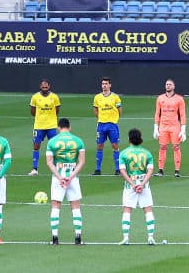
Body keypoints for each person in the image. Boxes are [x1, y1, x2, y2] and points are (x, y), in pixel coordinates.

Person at [45, 117, 85, 246]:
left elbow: (49, 162)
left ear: (58, 127)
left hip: (58, 176)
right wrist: (71, 176)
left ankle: (55, 237)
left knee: (56, 206)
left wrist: (60, 177)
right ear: (70, 127)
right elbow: (82, 162)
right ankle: (78, 237)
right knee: (75, 207)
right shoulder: (78, 141)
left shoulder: (52, 141)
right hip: (73, 176)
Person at [119, 128, 159, 246]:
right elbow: (150, 170)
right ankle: (151, 237)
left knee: (127, 210)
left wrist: (133, 184)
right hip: (144, 185)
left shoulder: (124, 153)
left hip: (129, 185)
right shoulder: (147, 153)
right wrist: (142, 184)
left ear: (129, 139)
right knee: (148, 209)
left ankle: (126, 237)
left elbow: (122, 170)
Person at [153, 79, 187, 178]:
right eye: (167, 84)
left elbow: (183, 114)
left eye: (170, 84)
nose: (168, 86)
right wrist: (156, 127)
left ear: (174, 86)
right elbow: (157, 114)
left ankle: (177, 170)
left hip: (175, 126)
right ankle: (160, 170)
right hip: (163, 127)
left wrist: (183, 129)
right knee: (162, 147)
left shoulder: (179, 99)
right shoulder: (160, 98)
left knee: (176, 147)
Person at [29, 79, 61, 176]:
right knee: (36, 146)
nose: (44, 89)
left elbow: (57, 110)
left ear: (49, 87)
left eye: (46, 87)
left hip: (51, 126)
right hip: (39, 125)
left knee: (54, 146)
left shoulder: (54, 97)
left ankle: (56, 168)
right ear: (40, 87)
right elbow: (32, 111)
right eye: (43, 87)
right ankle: (35, 169)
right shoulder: (35, 97)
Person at [93, 77, 123, 175]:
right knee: (99, 146)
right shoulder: (97, 97)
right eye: (103, 84)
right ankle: (98, 169)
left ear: (110, 85)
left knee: (115, 145)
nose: (104, 85)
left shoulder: (115, 97)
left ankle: (118, 169)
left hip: (112, 125)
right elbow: (95, 110)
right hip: (101, 125)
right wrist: (101, 118)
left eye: (106, 83)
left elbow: (120, 111)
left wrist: (114, 119)